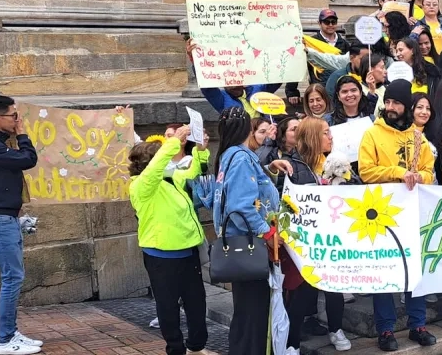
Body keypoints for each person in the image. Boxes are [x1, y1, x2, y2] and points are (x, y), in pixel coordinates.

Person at [358, 80, 437, 351]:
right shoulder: (372, 134)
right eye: (388, 102)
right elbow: (366, 171)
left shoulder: (417, 136)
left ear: (407, 107)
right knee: (385, 271)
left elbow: (429, 170)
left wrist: (419, 175)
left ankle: (418, 325)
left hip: (412, 213)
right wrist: (398, 172)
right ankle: (386, 330)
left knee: (413, 269)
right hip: (381, 213)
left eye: (397, 103)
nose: (390, 108)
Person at [129, 126, 216, 355]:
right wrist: (172, 143)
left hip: (188, 252)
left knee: (196, 303)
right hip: (161, 257)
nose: (170, 159)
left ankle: (196, 347)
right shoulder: (141, 186)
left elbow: (192, 172)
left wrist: (200, 151)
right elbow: (154, 170)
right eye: (162, 156)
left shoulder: (172, 179)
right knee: (168, 308)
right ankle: (175, 350)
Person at [214, 107, 293, 354]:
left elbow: (244, 190)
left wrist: (267, 170)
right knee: (253, 316)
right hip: (250, 244)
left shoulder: (229, 155)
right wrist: (267, 233)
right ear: (247, 129)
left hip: (241, 242)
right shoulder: (239, 158)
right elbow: (241, 205)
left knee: (248, 314)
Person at [0, 95, 42, 355]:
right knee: (12, 278)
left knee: (13, 276)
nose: (18, 120)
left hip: (4, 216)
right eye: (14, 116)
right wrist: (23, 135)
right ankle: (4, 340)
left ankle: (11, 333)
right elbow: (28, 159)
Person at [282, 118, 351, 352]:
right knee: (302, 293)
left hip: (330, 238)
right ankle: (291, 343)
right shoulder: (293, 167)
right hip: (305, 241)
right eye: (325, 133)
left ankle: (336, 329)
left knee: (334, 288)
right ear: (312, 137)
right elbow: (288, 203)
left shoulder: (333, 162)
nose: (330, 137)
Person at [286, 9, 351, 104]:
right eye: (326, 22)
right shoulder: (309, 43)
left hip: (341, 91)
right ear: (319, 23)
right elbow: (298, 66)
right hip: (319, 91)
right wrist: (292, 91)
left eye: (333, 22)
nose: (330, 25)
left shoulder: (344, 44)